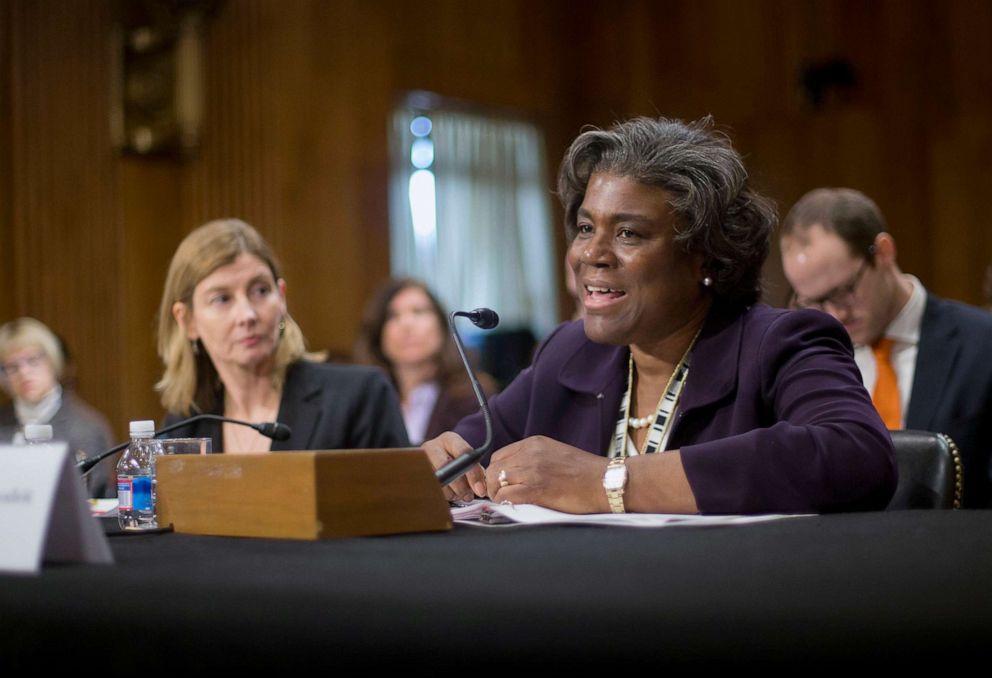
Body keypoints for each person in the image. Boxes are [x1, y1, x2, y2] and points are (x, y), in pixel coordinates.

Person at [425, 117, 897, 514]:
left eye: (628, 233)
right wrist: (441, 463)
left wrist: (607, 483)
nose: (590, 252)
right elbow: (468, 454)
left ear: (707, 258)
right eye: (586, 227)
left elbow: (856, 456)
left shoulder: (779, 343)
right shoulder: (569, 353)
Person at [781, 188, 992, 507]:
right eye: (814, 302)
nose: (836, 314)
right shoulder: (809, 362)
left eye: (844, 291)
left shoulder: (982, 343)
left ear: (883, 252)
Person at [157, 219, 408, 451]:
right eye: (222, 298)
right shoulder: (185, 425)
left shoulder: (359, 397)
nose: (247, 315)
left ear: (282, 297)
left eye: (260, 290)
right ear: (187, 320)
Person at [354, 278, 492, 445]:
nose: (406, 324)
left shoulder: (476, 399)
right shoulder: (363, 403)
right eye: (392, 316)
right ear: (378, 334)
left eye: (418, 311)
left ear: (441, 325)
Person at [0, 317, 115, 496]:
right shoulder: (2, 421)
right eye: (12, 367)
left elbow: (92, 493)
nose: (24, 373)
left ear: (52, 360)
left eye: (32, 360)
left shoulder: (87, 426)